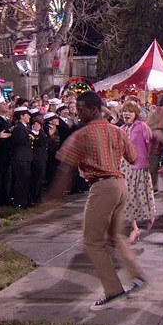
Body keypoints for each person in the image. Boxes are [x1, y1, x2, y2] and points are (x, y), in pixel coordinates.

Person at [46, 92, 146, 308]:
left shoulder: (81, 135)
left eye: (81, 109)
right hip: (120, 185)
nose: (77, 113)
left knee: (92, 242)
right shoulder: (117, 131)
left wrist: (51, 199)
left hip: (102, 188)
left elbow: (65, 169)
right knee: (114, 236)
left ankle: (113, 289)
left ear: (93, 110)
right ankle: (137, 275)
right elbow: (133, 157)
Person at [119, 101, 155, 243]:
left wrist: (144, 160)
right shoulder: (121, 128)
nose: (126, 114)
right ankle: (134, 228)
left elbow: (150, 143)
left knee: (138, 197)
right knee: (127, 198)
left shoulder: (141, 126)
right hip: (124, 167)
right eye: (125, 111)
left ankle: (142, 222)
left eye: (130, 111)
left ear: (136, 114)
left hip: (138, 167)